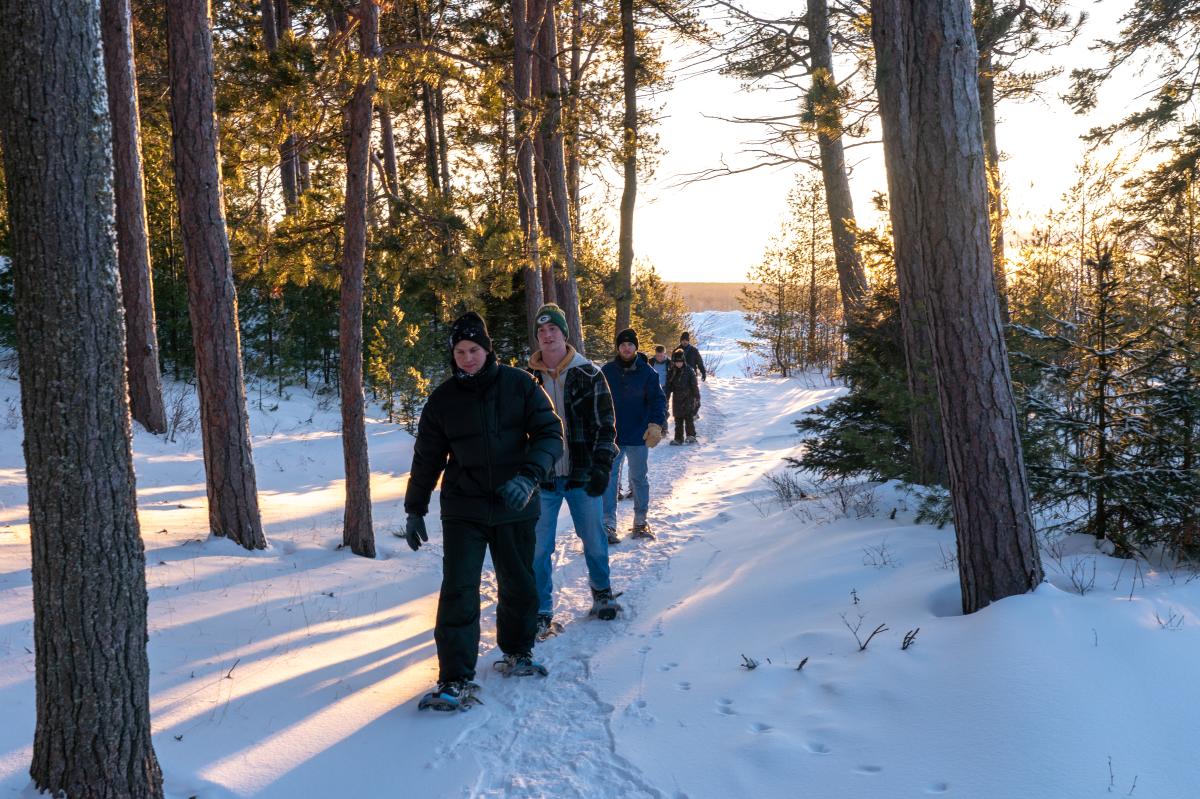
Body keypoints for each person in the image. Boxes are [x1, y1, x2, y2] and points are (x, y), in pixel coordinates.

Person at [402, 311, 563, 711]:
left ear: (487, 350)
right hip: (464, 507)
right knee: (458, 588)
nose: (467, 358)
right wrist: (415, 507)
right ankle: (454, 677)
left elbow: (550, 433)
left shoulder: (521, 384)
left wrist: (529, 477)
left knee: (518, 582)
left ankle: (518, 650)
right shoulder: (443, 399)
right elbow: (427, 458)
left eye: (474, 349)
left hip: (515, 503)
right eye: (460, 351)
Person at [527, 303, 622, 637]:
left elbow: (606, 426)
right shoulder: (528, 380)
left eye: (552, 329)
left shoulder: (589, 374)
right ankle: (541, 609)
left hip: (582, 476)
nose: (547, 335)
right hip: (544, 479)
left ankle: (602, 593)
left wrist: (601, 467)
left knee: (594, 539)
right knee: (538, 548)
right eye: (541, 331)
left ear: (564, 334)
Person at [602, 328, 667, 540]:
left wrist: (656, 424)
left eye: (630, 344)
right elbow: (599, 400)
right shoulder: (607, 371)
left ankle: (640, 521)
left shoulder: (648, 372)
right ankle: (608, 524)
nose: (626, 348)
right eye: (622, 345)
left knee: (639, 478)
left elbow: (658, 399)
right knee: (610, 480)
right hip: (613, 436)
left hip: (639, 435)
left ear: (636, 347)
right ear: (618, 348)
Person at [666, 347, 700, 444]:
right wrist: (666, 398)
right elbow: (669, 386)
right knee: (678, 419)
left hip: (688, 397)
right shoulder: (672, 371)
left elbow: (694, 385)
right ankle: (678, 438)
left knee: (689, 418)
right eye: (677, 362)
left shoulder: (689, 371)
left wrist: (697, 397)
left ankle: (691, 436)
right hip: (677, 398)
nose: (678, 363)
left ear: (683, 361)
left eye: (680, 361)